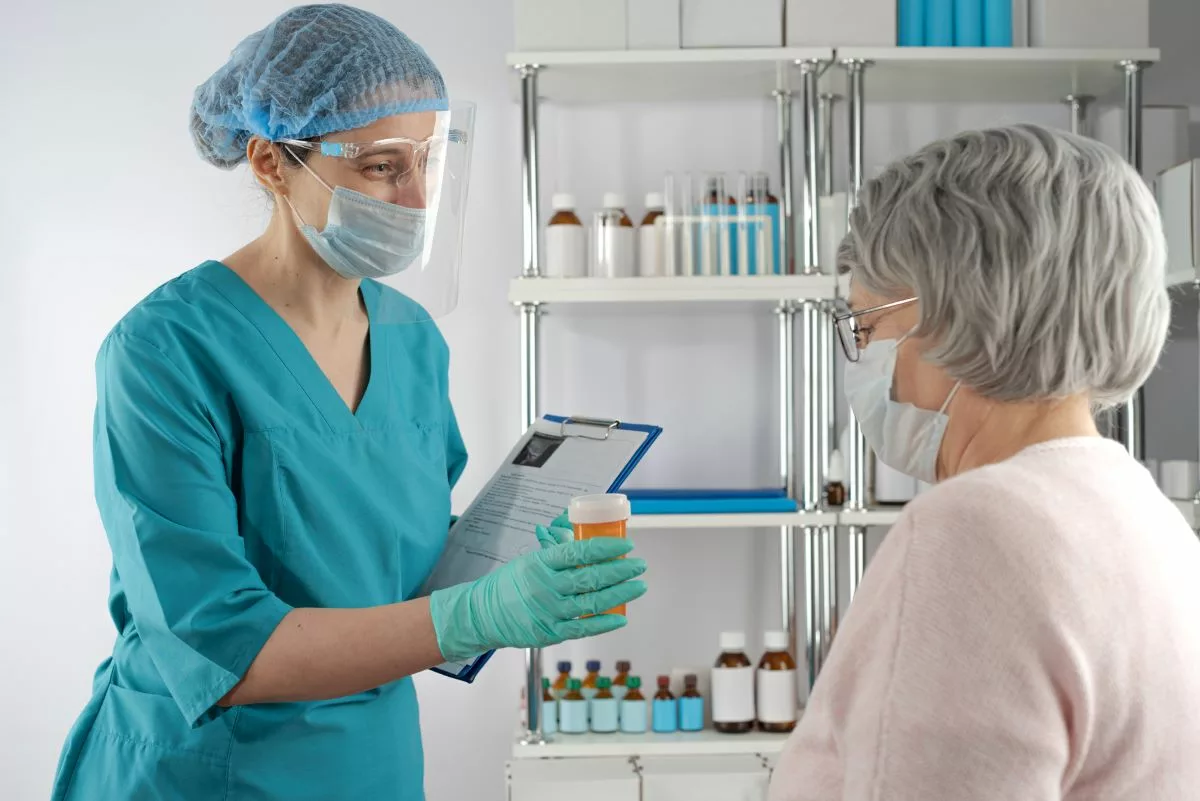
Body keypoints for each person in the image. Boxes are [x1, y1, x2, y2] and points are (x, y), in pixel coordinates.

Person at [50, 6, 645, 800]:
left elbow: (397, 562)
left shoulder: (412, 339)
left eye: (428, 161)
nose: (415, 195)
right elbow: (223, 645)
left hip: (372, 764)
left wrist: (512, 567)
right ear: (270, 162)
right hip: (209, 772)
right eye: (380, 165)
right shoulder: (165, 350)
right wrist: (473, 614)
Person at [769, 124, 1200, 800]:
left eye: (867, 326)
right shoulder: (1147, 516)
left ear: (954, 313)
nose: (861, 358)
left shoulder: (974, 531)